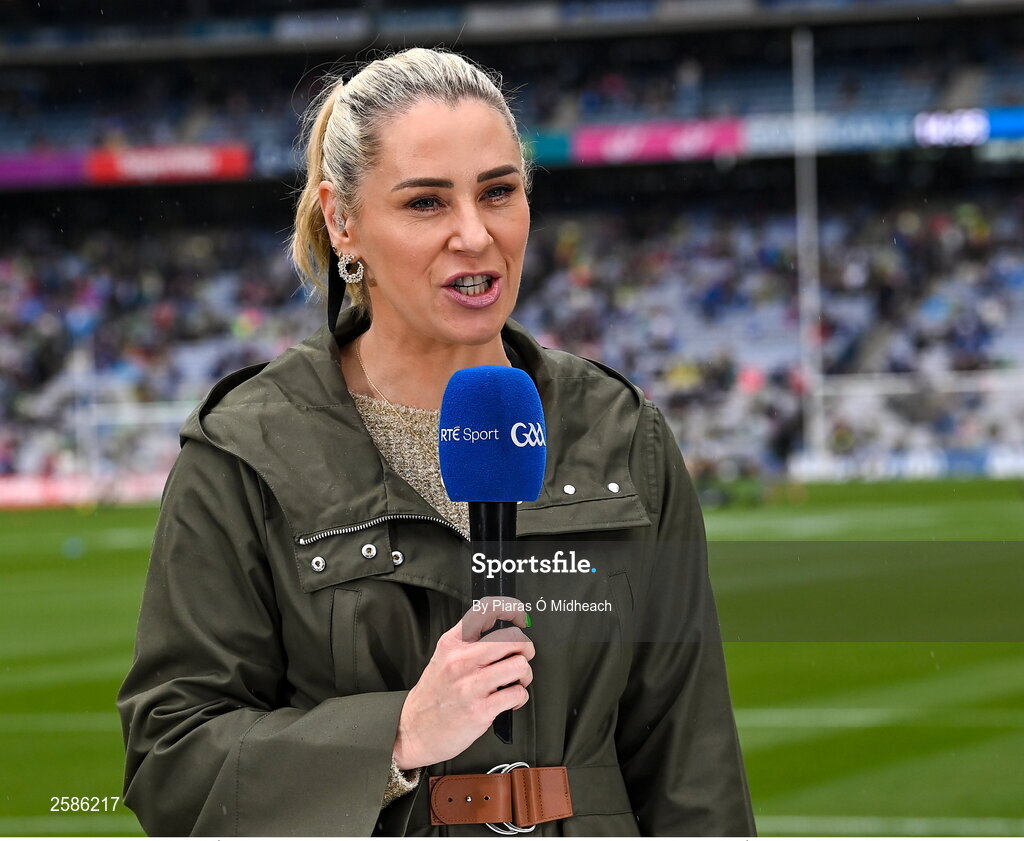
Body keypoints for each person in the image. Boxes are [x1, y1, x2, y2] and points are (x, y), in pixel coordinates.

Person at [117, 47, 755, 836]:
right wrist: (398, 736)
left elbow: (692, 766)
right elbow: (170, 758)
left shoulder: (625, 435)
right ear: (341, 219)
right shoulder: (245, 449)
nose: (474, 234)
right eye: (425, 203)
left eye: (499, 192)